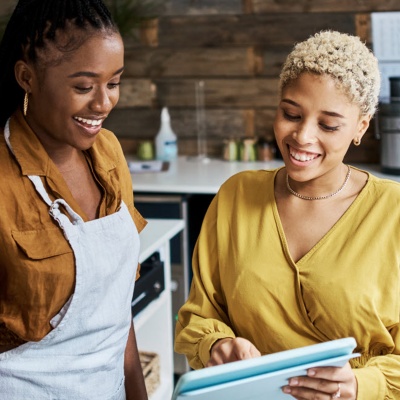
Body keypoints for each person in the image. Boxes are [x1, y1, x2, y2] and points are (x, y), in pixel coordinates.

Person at [175, 30, 400, 400]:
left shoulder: (391, 212)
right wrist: (217, 345)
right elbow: (197, 316)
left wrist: (362, 384)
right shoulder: (237, 195)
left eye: (328, 125)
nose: (302, 136)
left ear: (361, 126)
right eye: (290, 114)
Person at [0, 1, 148, 399]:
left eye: (113, 83)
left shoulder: (109, 153)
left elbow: (117, 308)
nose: (103, 104)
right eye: (83, 86)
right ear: (26, 77)